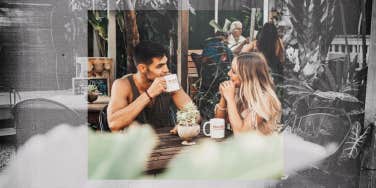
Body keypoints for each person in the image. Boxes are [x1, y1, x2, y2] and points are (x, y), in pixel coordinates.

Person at [107, 41, 194, 132]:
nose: (166, 70)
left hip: (166, 142)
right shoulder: (122, 85)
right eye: (160, 66)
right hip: (134, 144)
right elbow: (113, 124)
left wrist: (184, 123)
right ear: (142, 68)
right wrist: (149, 93)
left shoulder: (169, 81)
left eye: (166, 64)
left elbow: (194, 114)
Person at [214, 52, 282, 135]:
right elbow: (219, 126)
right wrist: (223, 98)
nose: (228, 73)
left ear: (247, 77)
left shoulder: (265, 100)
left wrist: (230, 98)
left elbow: (241, 134)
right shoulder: (238, 93)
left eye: (234, 72)